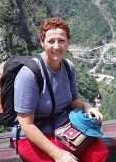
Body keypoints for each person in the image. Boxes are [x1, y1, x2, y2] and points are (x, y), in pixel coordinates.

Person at [12, 17, 109, 162]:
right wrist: (58, 154)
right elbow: (27, 124)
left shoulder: (68, 67)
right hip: (32, 136)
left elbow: (73, 101)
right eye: (51, 41)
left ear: (68, 42)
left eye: (61, 40)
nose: (57, 46)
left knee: (99, 153)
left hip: (63, 130)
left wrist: (86, 106)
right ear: (42, 42)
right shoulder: (29, 74)